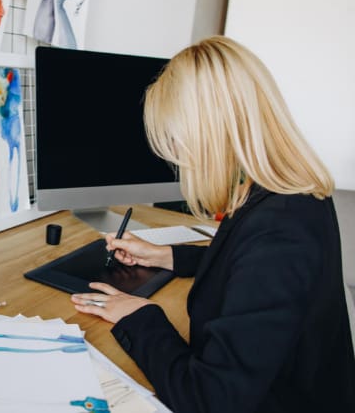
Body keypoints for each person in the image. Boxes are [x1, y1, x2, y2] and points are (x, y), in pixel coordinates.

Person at [71, 35, 355, 412]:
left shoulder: (283, 231)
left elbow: (210, 400)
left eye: (178, 145)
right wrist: (166, 257)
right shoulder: (284, 194)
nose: (179, 160)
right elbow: (249, 273)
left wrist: (140, 317)